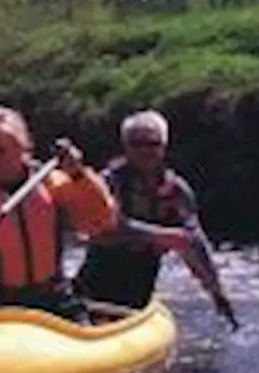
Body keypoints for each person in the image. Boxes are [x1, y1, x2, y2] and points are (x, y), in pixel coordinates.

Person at [0, 105, 119, 323]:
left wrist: (79, 174)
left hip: (53, 297)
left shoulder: (52, 183)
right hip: (0, 301)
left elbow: (100, 220)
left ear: (24, 149)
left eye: (0, 151)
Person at [73, 109, 239, 330]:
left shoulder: (177, 192)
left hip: (136, 295)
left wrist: (217, 293)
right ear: (126, 146)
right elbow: (104, 227)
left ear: (163, 146)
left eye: (152, 143)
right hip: (95, 288)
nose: (145, 150)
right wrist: (160, 236)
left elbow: (194, 244)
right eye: (137, 144)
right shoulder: (107, 183)